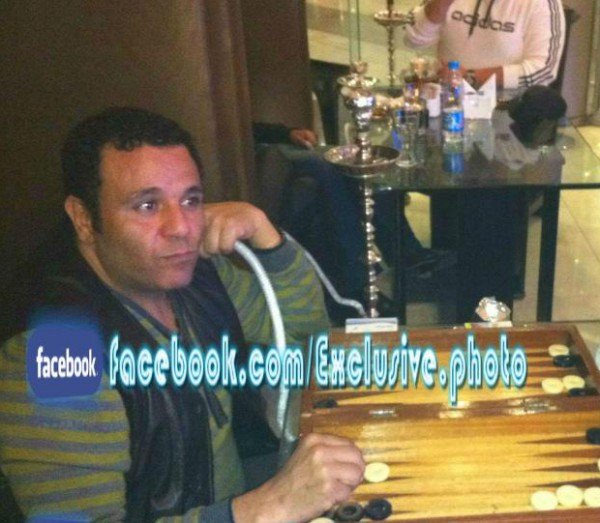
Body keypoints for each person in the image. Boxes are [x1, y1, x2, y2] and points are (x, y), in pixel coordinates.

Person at [0, 107, 365, 522]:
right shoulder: (50, 353)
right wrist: (268, 506)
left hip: (242, 487)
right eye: (147, 205)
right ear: (83, 218)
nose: (181, 228)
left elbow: (305, 335)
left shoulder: (195, 276)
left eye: (191, 200)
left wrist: (264, 234)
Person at [252, 122, 443, 313]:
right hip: (262, 150)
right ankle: (358, 283)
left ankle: (404, 251)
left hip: (274, 141)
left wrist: (288, 132)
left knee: (359, 165)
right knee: (328, 168)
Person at [405, 0, 566, 90]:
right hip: (446, 102)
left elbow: (543, 71)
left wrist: (469, 77)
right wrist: (441, 4)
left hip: (509, 111)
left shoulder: (542, 3)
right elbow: (413, 40)